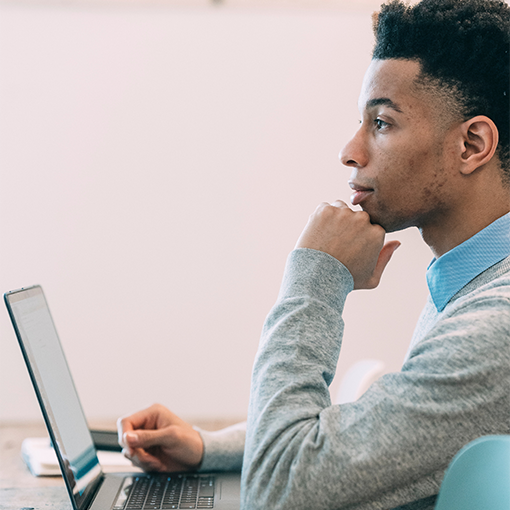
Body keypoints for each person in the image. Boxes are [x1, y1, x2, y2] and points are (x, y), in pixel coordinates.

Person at [117, 0, 510, 508]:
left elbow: (278, 493)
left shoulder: (496, 326)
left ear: (472, 144)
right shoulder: (473, 283)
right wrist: (211, 448)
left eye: (382, 123)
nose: (351, 150)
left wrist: (314, 281)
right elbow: (383, 432)